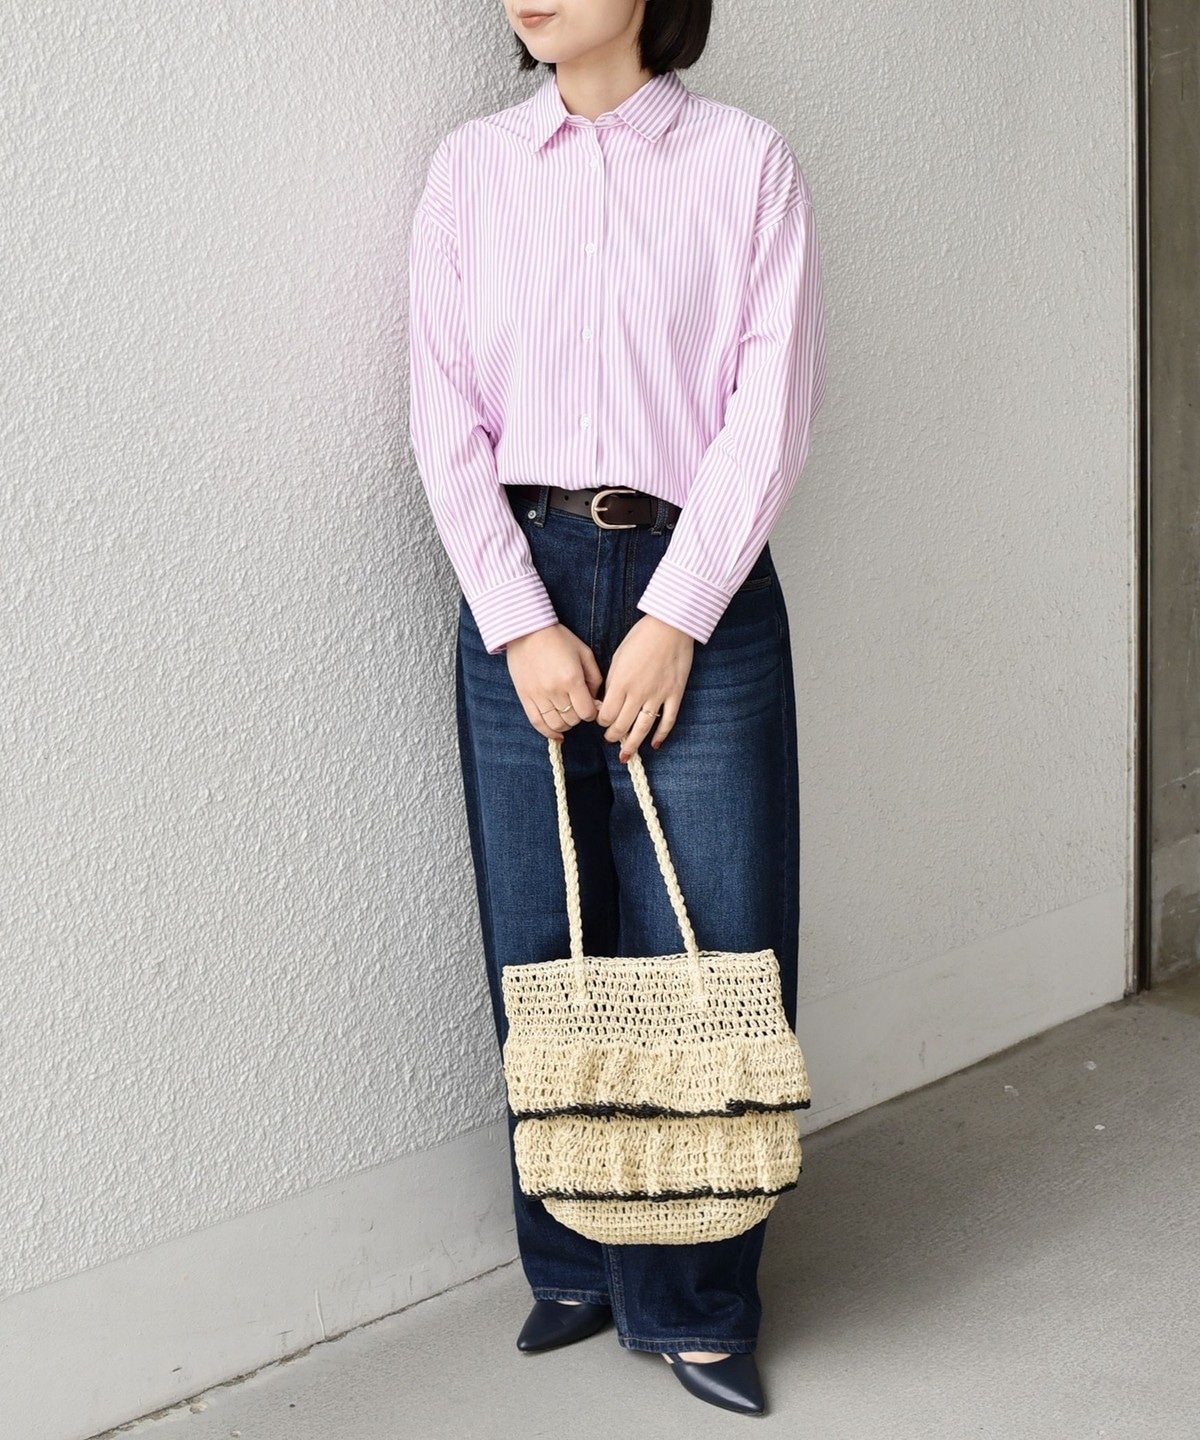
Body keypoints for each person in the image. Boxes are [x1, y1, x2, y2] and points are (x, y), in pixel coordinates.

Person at [407, 0, 826, 1416]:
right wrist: (520, 619)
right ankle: (575, 1261)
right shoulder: (471, 169)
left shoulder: (747, 163)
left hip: (696, 576)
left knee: (711, 938)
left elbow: (769, 412)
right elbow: (442, 414)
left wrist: (677, 614)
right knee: (545, 935)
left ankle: (697, 1303)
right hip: (518, 579)